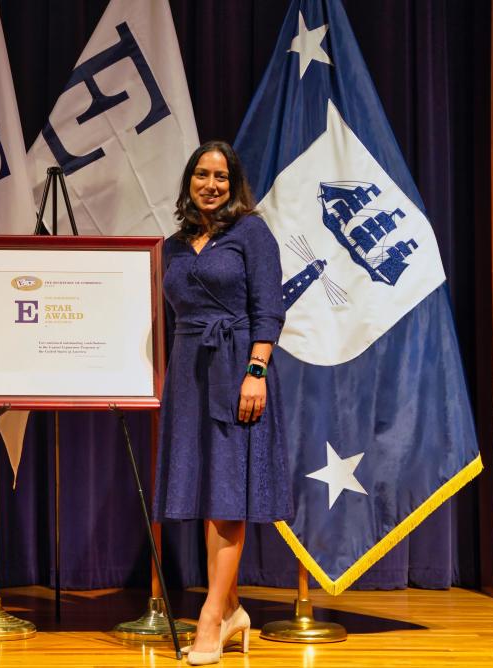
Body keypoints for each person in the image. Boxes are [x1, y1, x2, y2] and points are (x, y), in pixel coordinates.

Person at [153, 141, 293, 665]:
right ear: (188, 181)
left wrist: (256, 371)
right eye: (201, 175)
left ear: (234, 185)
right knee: (205, 494)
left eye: (221, 177)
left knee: (229, 496)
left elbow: (269, 309)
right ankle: (231, 607)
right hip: (189, 374)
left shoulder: (251, 234)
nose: (211, 185)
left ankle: (212, 618)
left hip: (237, 370)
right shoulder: (173, 244)